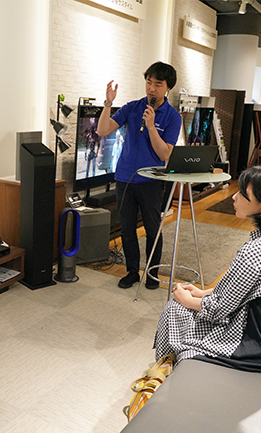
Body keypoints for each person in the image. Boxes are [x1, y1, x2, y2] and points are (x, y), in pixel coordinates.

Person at [154, 165, 261, 372]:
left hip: (257, 348)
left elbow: (218, 309)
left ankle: (165, 370)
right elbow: (250, 289)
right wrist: (203, 293)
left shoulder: (256, 252)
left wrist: (187, 299)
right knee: (185, 309)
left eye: (243, 194)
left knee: (174, 309)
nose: (234, 197)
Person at [97, 62, 182, 290]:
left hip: (152, 181)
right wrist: (108, 103)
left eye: (158, 84)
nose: (151, 88)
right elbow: (102, 130)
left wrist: (151, 127)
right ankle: (132, 271)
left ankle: (152, 273)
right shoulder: (132, 107)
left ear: (168, 87)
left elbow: (164, 154)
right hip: (125, 178)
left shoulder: (173, 117)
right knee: (127, 229)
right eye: (148, 82)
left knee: (153, 229)